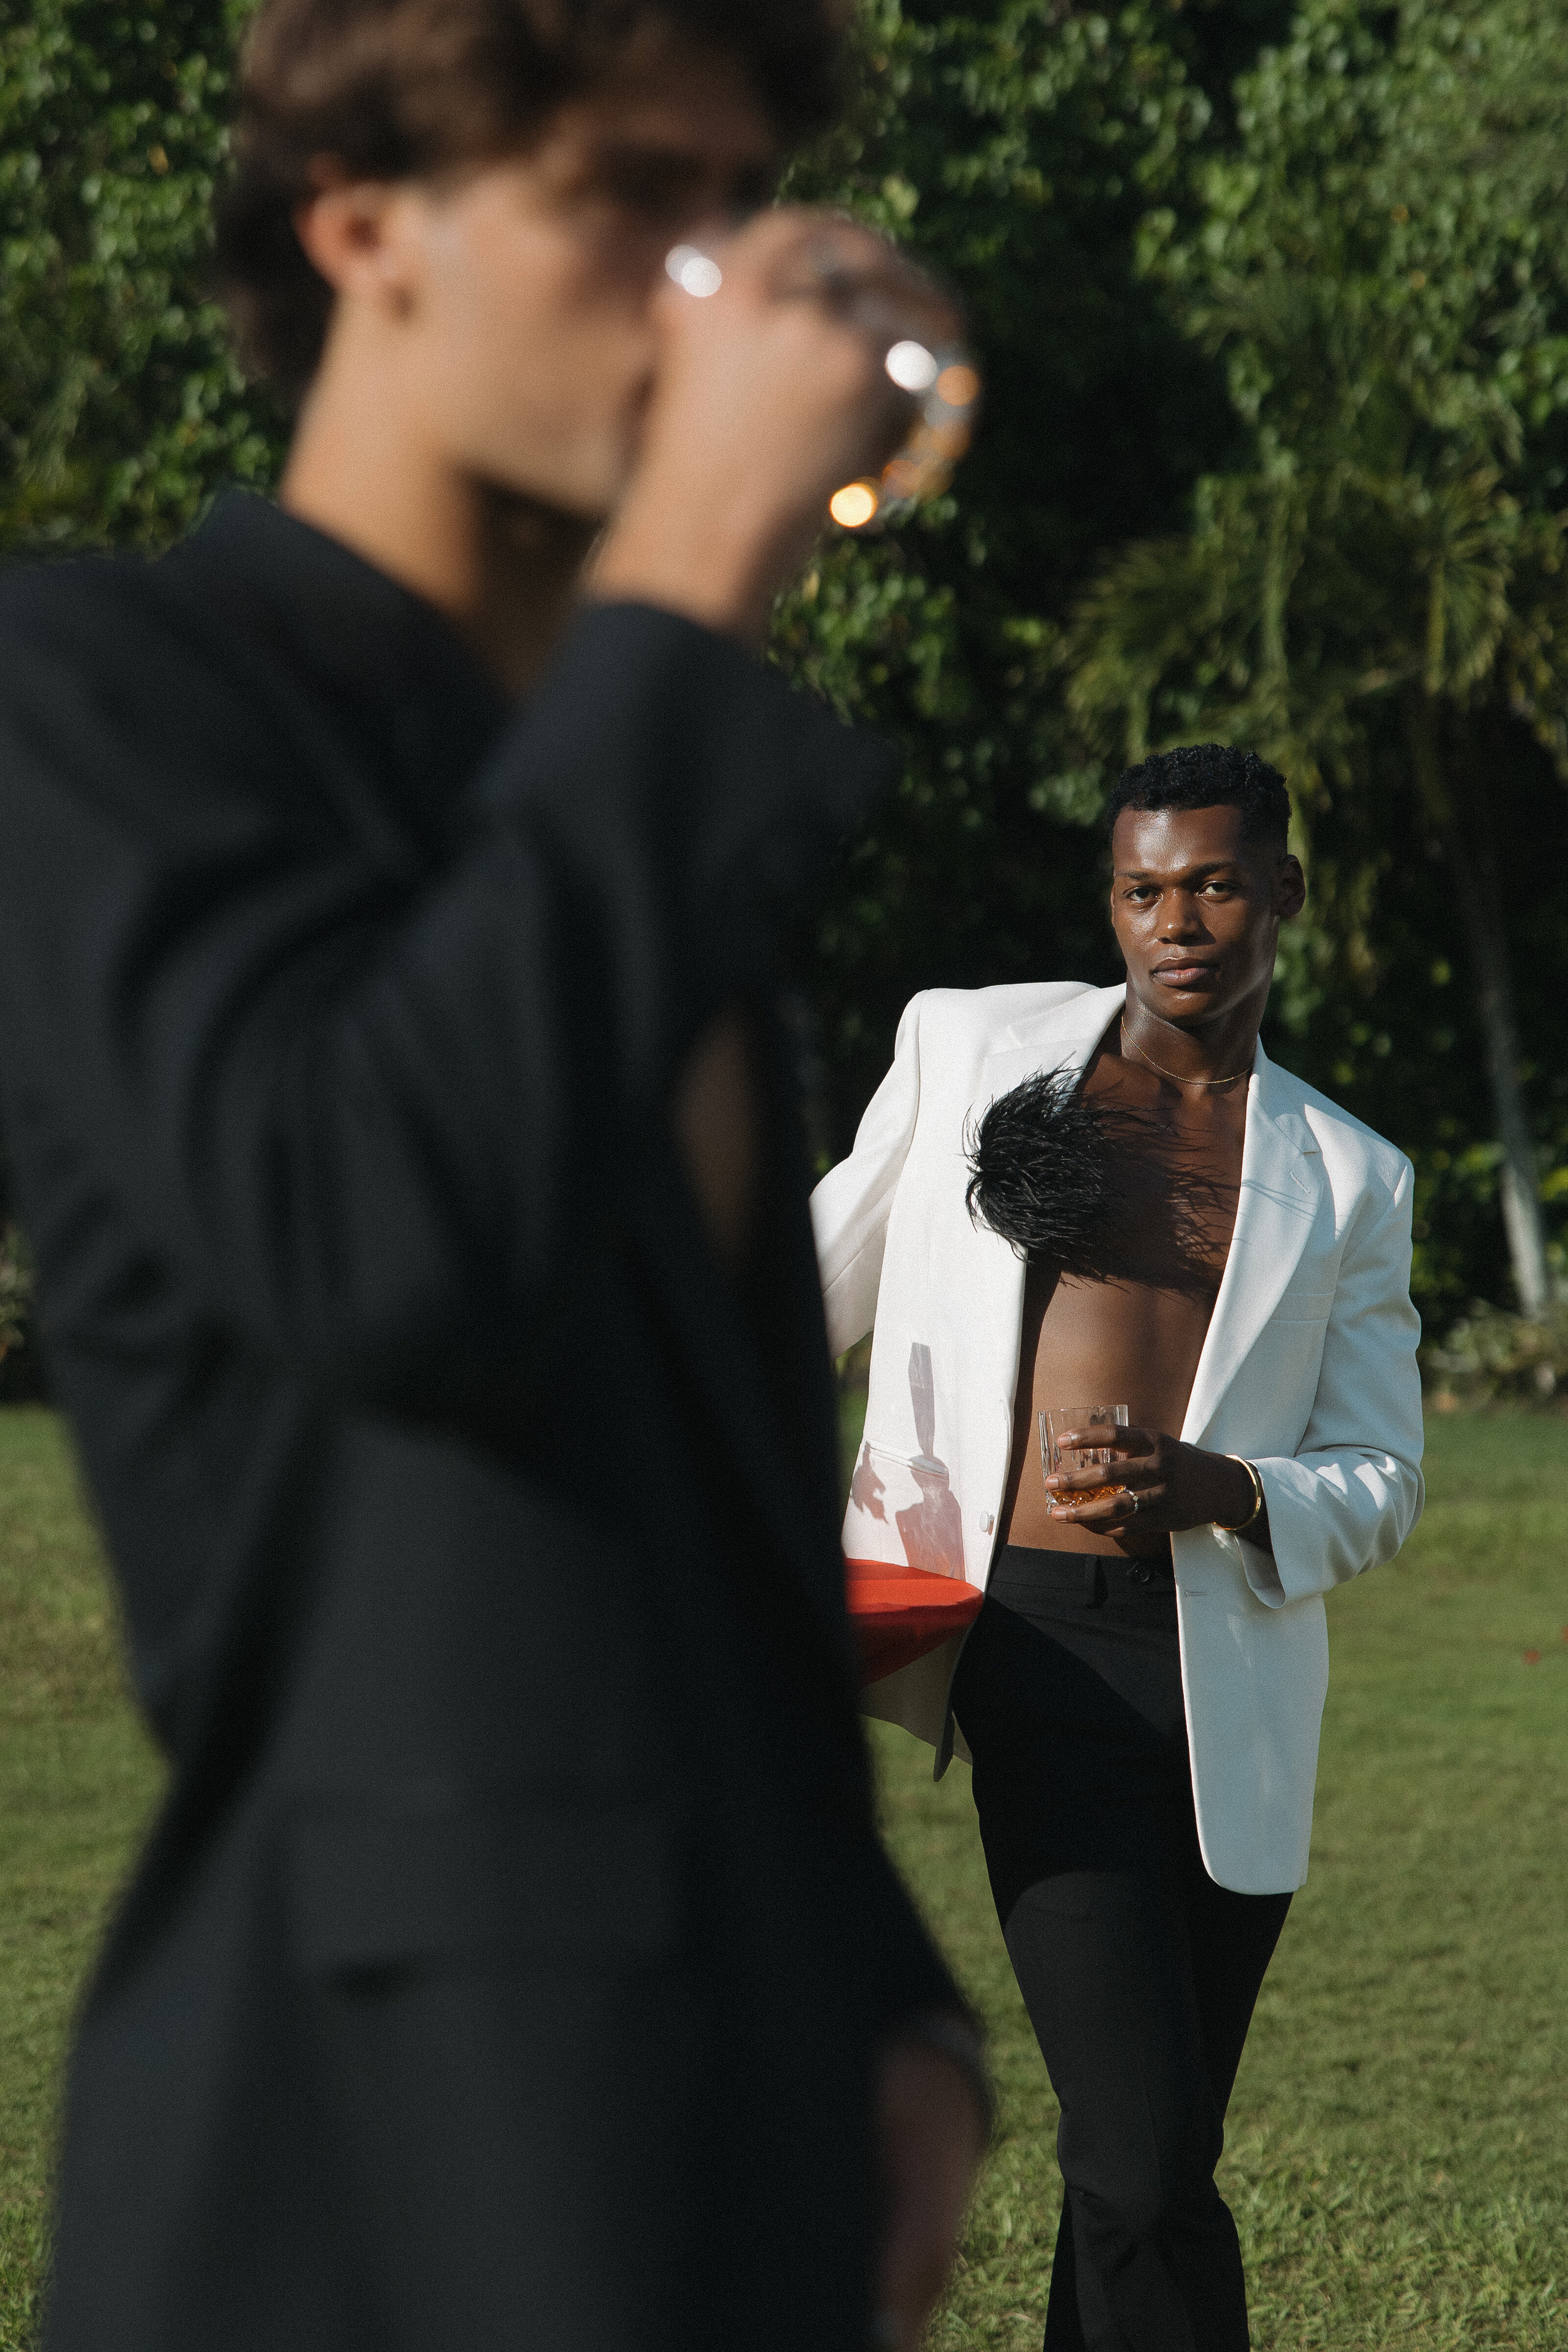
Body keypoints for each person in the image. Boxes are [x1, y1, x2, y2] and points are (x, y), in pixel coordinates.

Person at [0, 3, 991, 2346]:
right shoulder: (102, 688)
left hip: (736, 2150)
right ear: (365, 234)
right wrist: (678, 586)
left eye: (733, 204)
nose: (712, 285)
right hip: (366, 2180)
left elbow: (682, 1517)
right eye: (623, 201)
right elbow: (383, 1231)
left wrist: (885, 1997)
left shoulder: (621, 802)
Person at [810, 744, 1424, 2350]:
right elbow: (808, 1283)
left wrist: (1225, 1488)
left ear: (1282, 891)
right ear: (1111, 902)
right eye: (1145, 890)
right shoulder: (972, 1048)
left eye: (1218, 884)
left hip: (1226, 1687)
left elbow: (1385, 1474)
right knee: (1144, 2163)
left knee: (1140, 2165)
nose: (1181, 922)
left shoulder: (1352, 1175)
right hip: (1030, 1649)